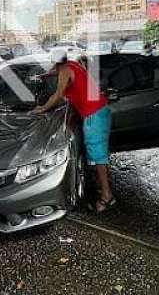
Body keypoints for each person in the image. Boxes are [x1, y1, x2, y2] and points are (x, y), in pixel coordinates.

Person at [31, 48, 115, 213]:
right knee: (101, 154)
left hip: (93, 116)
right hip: (101, 110)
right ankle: (104, 188)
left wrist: (42, 109)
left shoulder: (65, 71)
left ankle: (107, 197)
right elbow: (57, 72)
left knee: (99, 158)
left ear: (54, 61)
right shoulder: (73, 64)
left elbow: (57, 96)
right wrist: (44, 76)